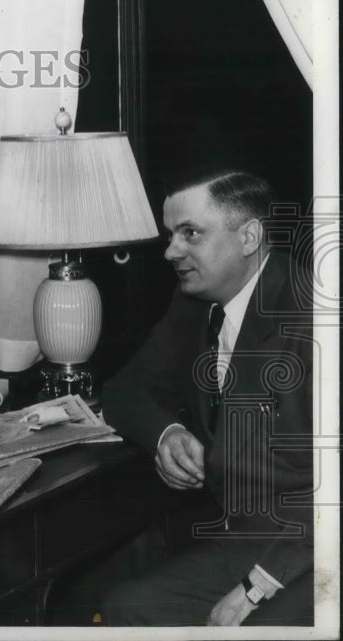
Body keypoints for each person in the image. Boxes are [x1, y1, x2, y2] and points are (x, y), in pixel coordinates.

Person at [101, 165, 313, 626]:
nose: (171, 251)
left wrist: (257, 586)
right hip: (242, 539)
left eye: (190, 233)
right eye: (170, 234)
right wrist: (166, 433)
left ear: (250, 237)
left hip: (313, 552)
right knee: (128, 609)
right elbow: (125, 391)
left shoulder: (313, 319)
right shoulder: (194, 303)